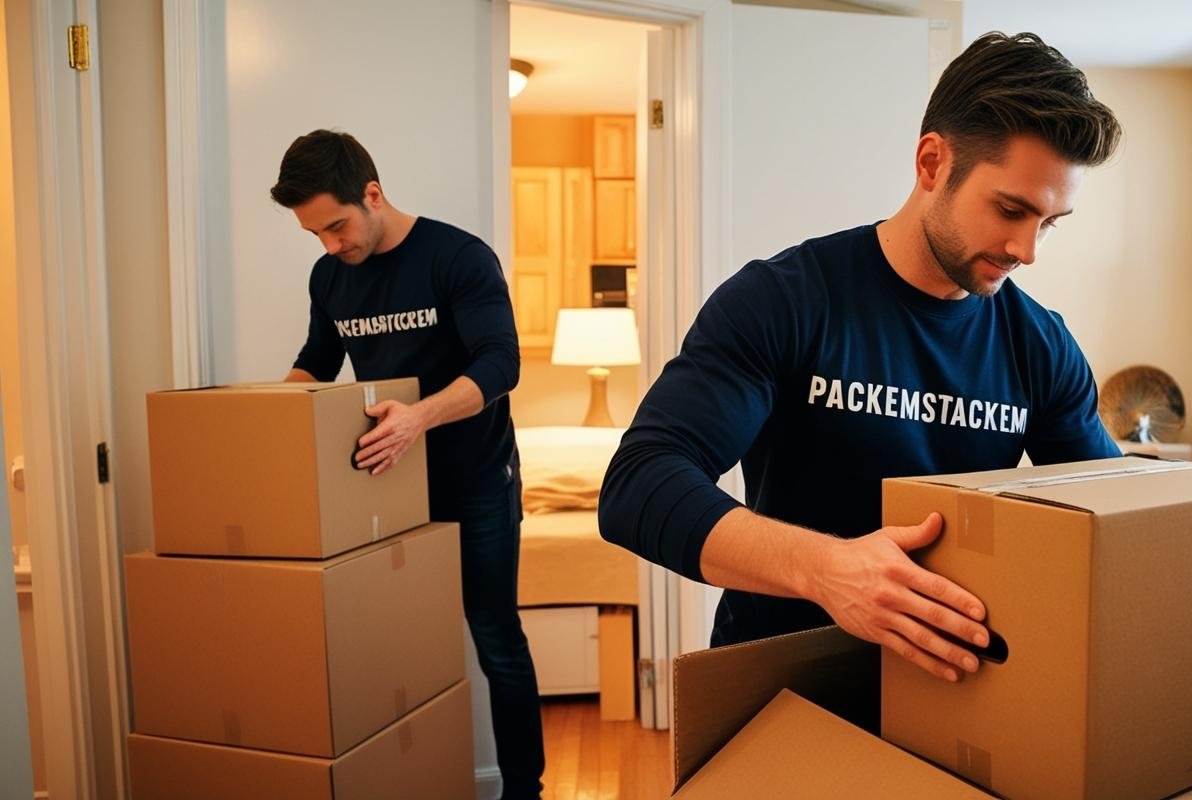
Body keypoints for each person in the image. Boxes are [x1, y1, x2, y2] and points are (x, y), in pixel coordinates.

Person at [598, 32, 1124, 683]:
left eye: (1049, 223)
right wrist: (829, 572)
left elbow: (1110, 517)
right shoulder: (783, 300)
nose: (1027, 250)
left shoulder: (1040, 344)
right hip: (781, 674)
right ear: (932, 163)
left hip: (953, 684)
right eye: (1010, 209)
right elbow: (638, 486)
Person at [271, 130, 542, 799]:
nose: (333, 246)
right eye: (316, 235)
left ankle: (523, 791)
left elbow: (501, 364)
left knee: (496, 639)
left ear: (372, 193)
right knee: (397, 646)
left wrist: (418, 416)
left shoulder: (457, 257)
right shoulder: (331, 276)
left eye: (336, 226)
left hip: (477, 479)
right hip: (388, 489)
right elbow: (317, 362)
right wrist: (264, 419)